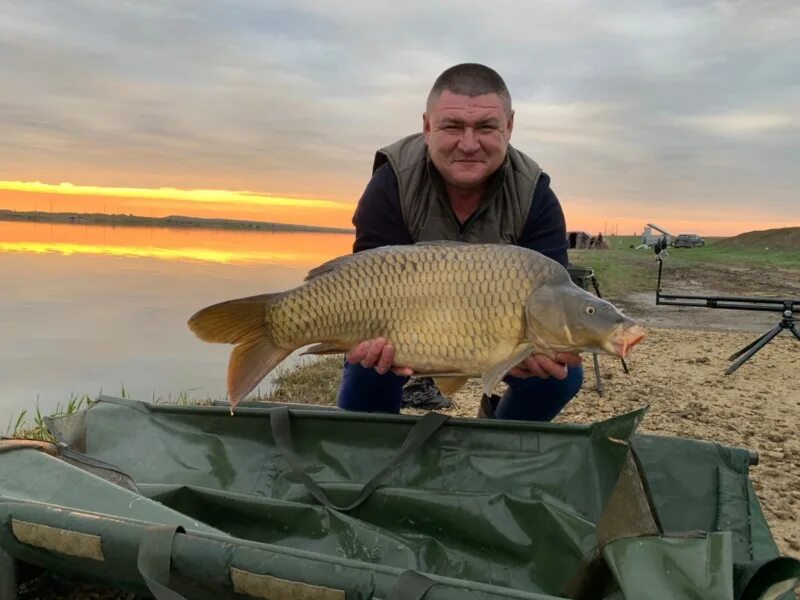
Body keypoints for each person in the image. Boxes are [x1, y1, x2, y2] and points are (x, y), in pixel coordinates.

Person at [336, 63, 583, 421]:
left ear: (509, 126)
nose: (469, 145)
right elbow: (365, 282)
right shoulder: (393, 182)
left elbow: (556, 293)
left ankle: (499, 442)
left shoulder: (535, 196)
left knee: (561, 374)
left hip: (499, 335)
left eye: (486, 127)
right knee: (370, 365)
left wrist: (537, 353)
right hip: (404, 328)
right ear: (427, 126)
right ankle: (371, 456)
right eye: (452, 126)